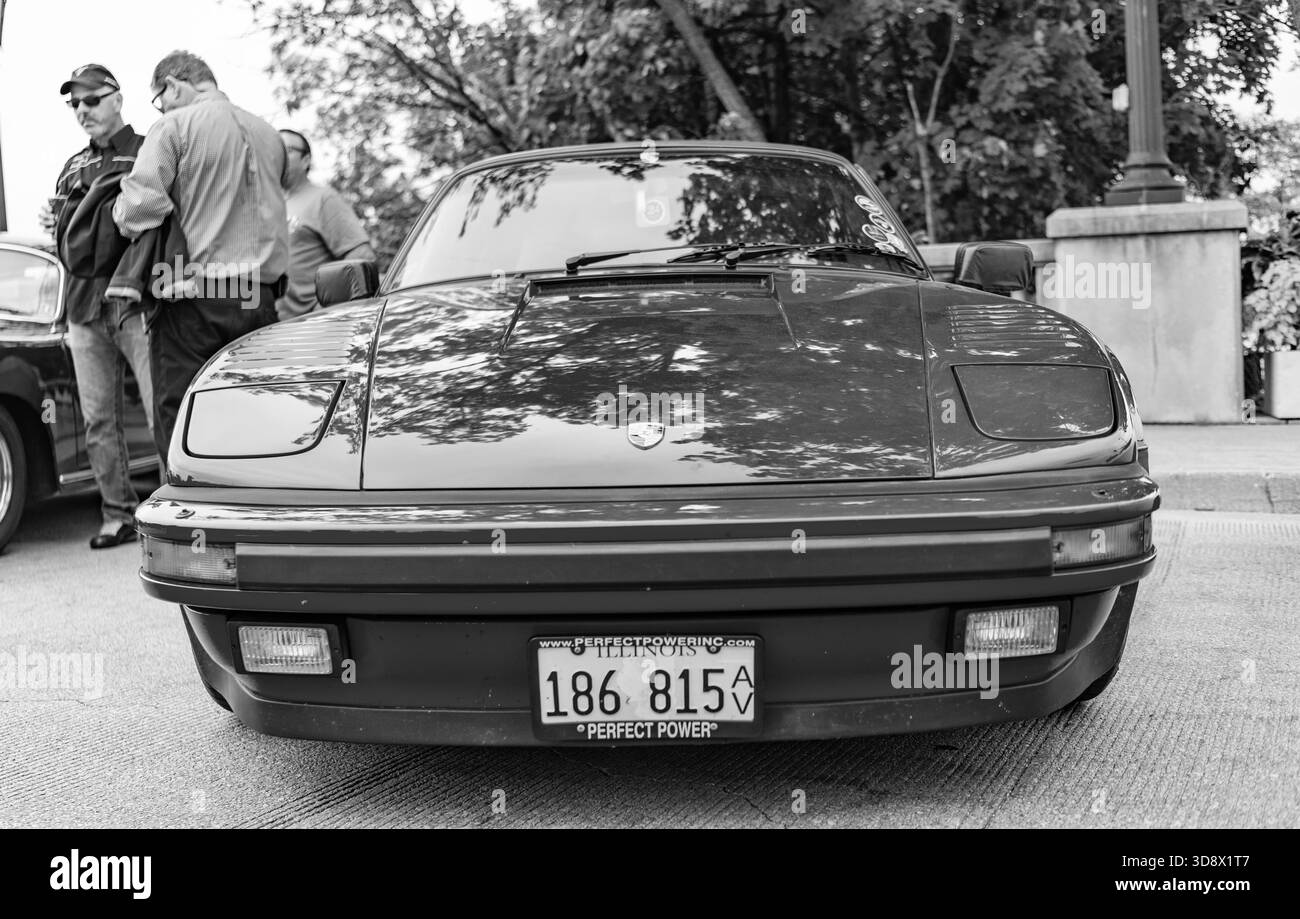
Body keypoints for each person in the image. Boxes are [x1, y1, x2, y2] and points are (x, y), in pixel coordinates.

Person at [112, 51, 288, 465]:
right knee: (257, 421)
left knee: (183, 424)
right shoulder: (269, 134)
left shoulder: (174, 125)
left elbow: (140, 210)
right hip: (259, 300)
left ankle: (192, 520)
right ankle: (254, 521)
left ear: (173, 86)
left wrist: (117, 210)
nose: (161, 107)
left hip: (194, 301)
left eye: (160, 98)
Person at [40, 64, 153, 549]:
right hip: (84, 308)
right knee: (98, 419)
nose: (82, 111)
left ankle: (179, 515)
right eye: (74, 105)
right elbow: (64, 240)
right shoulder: (70, 166)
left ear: (117, 98)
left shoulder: (150, 148)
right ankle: (118, 513)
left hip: (140, 300)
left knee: (161, 409)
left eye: (91, 100)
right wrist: (52, 220)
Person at [276, 129, 376, 321]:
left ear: (306, 160)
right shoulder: (269, 204)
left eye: (287, 149)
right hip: (274, 327)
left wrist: (324, 308)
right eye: (276, 149)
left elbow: (361, 257)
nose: (279, 155)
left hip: (314, 324)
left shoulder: (323, 198)